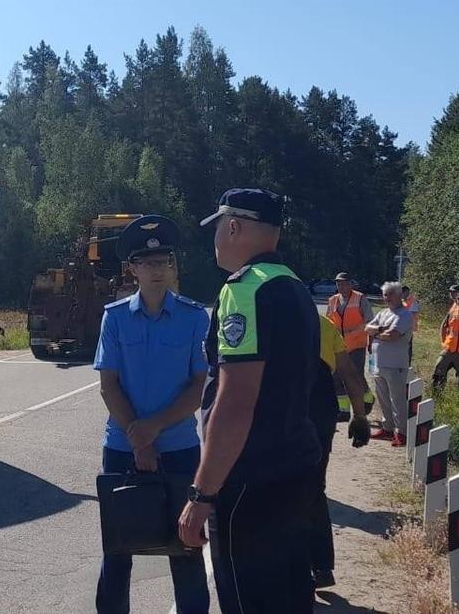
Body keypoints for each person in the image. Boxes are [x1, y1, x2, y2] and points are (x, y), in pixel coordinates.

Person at [179, 188, 320, 613]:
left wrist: (201, 496)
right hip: (296, 468)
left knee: (248, 601)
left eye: (218, 228)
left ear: (234, 225)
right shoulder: (293, 285)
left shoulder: (243, 291)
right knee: (290, 597)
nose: (216, 239)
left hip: (251, 481)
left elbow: (235, 400)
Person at [93, 215, 210, 614]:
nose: (158, 270)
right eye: (148, 262)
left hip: (178, 450)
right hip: (122, 449)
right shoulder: (115, 317)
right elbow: (109, 384)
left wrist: (151, 431)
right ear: (133, 269)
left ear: (173, 266)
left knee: (186, 545)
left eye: (165, 261)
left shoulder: (195, 318)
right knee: (118, 549)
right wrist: (135, 435)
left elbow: (199, 386)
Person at [311, 315, 371, 589]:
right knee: (314, 489)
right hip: (321, 407)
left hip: (288, 407)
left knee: (283, 489)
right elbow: (348, 373)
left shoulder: (266, 317)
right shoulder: (323, 323)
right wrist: (359, 416)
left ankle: (294, 568)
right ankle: (322, 566)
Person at [364, 282, 413, 446]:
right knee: (383, 399)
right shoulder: (384, 313)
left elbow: (393, 335)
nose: (387, 298)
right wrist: (380, 330)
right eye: (385, 294)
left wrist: (377, 332)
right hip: (379, 363)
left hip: (395, 365)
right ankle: (387, 429)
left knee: (397, 400)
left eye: (390, 294)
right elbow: (367, 327)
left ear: (399, 295)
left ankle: (402, 433)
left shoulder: (405, 315)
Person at [326, 272, 373, 397]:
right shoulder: (332, 300)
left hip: (357, 345)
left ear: (350, 284)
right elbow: (328, 322)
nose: (341, 287)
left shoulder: (360, 298)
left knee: (356, 375)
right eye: (339, 284)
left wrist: (371, 342)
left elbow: (370, 322)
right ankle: (343, 408)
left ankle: (367, 399)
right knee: (336, 376)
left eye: (344, 284)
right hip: (338, 346)